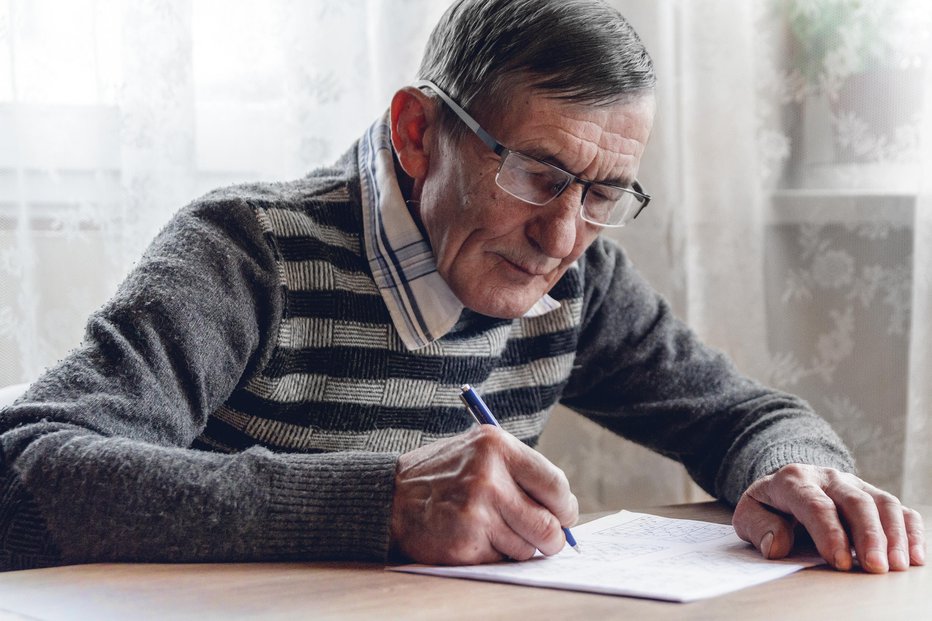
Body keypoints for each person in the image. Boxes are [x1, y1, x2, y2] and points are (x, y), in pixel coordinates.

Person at [0, 0, 923, 573]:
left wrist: (801, 472)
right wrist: (382, 505)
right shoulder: (245, 251)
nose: (562, 236)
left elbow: (742, 415)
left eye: (603, 192)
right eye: (534, 171)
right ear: (414, 132)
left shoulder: (580, 276)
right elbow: (25, 474)